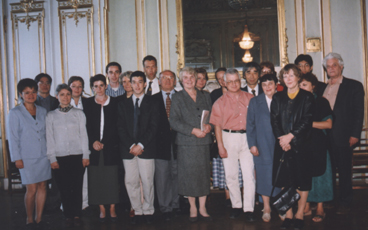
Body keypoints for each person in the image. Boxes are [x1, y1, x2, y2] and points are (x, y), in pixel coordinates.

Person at [270, 64, 315, 229]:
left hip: (301, 145)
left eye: (291, 75)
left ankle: (299, 214)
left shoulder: (307, 97)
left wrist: (291, 137)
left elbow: (307, 120)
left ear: (298, 77)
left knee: (302, 181)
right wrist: (283, 140)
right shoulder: (277, 97)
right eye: (285, 76)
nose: (288, 79)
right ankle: (288, 214)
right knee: (285, 180)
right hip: (282, 145)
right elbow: (274, 121)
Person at [210, 68, 256, 222]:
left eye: (236, 80)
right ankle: (236, 205)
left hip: (247, 138)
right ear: (224, 83)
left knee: (249, 175)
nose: (234, 84)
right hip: (228, 137)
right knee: (231, 175)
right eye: (230, 82)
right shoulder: (219, 102)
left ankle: (249, 208)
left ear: (240, 81)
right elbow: (217, 126)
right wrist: (220, 146)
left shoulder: (251, 98)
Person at [322, 53, 364, 214]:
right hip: (325, 137)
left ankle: (346, 202)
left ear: (341, 66)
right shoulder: (322, 87)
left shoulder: (354, 86)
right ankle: (330, 200)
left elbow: (359, 113)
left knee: (345, 171)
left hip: (344, 136)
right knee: (328, 171)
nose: (331, 68)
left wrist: (355, 134)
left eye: (334, 65)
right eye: (328, 66)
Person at [169, 66, 213, 222]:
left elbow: (212, 117)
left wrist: (209, 126)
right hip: (186, 143)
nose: (189, 80)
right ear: (181, 80)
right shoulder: (177, 97)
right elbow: (174, 121)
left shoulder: (205, 96)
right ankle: (193, 207)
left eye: (192, 77)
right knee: (188, 176)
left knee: (202, 175)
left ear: (196, 79)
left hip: (203, 142)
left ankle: (202, 207)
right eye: (185, 78)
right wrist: (192, 130)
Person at [7, 78, 51, 230]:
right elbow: (13, 138)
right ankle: (29, 218)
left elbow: (47, 134)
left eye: (33, 92)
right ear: (21, 94)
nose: (31, 95)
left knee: (43, 186)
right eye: (27, 93)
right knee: (31, 188)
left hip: (43, 155)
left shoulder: (43, 111)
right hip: (26, 157)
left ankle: (39, 218)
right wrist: (16, 158)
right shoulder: (15, 113)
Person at [117, 71, 160, 224]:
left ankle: (148, 211)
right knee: (131, 182)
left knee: (148, 181)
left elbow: (154, 127)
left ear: (144, 84)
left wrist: (140, 145)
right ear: (129, 84)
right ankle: (137, 210)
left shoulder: (153, 102)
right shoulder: (122, 104)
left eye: (139, 82)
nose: (136, 85)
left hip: (146, 149)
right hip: (127, 150)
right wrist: (131, 145)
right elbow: (120, 128)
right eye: (133, 82)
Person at [46, 84, 90, 227]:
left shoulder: (78, 113)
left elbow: (84, 135)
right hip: (60, 156)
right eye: (62, 94)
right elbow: (49, 138)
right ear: (57, 96)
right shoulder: (51, 115)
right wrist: (52, 158)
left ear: (71, 96)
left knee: (77, 186)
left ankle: (77, 213)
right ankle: (68, 214)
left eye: (68, 94)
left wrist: (85, 155)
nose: (65, 97)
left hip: (77, 155)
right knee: (64, 187)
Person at [84, 74, 120, 223]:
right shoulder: (87, 103)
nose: (99, 89)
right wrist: (94, 141)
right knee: (96, 178)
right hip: (94, 147)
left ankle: (112, 207)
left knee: (111, 178)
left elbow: (117, 125)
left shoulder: (115, 102)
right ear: (92, 88)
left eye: (101, 85)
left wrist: (105, 142)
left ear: (106, 86)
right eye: (95, 86)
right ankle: (101, 208)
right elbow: (86, 126)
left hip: (111, 146)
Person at [299, 73, 333, 222]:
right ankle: (305, 206)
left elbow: (328, 124)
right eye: (299, 85)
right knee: (304, 175)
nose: (301, 88)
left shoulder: (321, 102)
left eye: (305, 85)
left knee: (320, 177)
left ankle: (320, 208)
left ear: (313, 86)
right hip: (301, 145)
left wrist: (309, 124)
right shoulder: (296, 102)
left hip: (318, 143)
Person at [246, 73, 280, 222]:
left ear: (276, 85)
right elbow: (250, 125)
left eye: (270, 84)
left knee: (280, 174)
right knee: (264, 174)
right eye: (264, 85)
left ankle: (281, 206)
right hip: (262, 143)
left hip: (281, 144)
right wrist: (252, 144)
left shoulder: (283, 99)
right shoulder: (255, 102)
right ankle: (266, 207)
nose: (267, 87)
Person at [210, 67, 243, 207]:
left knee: (244, 173)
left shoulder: (244, 95)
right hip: (224, 135)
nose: (222, 80)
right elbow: (215, 121)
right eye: (219, 78)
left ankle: (245, 203)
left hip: (242, 136)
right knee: (228, 172)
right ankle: (231, 201)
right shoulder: (216, 96)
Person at [152, 70, 180, 221]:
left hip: (179, 142)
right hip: (159, 144)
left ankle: (176, 204)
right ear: (159, 81)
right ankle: (165, 207)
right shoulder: (152, 100)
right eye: (164, 78)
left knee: (177, 174)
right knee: (162, 176)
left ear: (175, 81)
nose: (168, 81)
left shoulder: (182, 98)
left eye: (171, 78)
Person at [67, 76, 90, 213]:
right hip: (67, 146)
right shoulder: (62, 101)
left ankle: (84, 204)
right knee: (69, 178)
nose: (77, 89)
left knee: (84, 176)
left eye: (80, 86)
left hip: (83, 144)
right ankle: (67, 204)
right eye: (73, 86)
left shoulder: (88, 103)